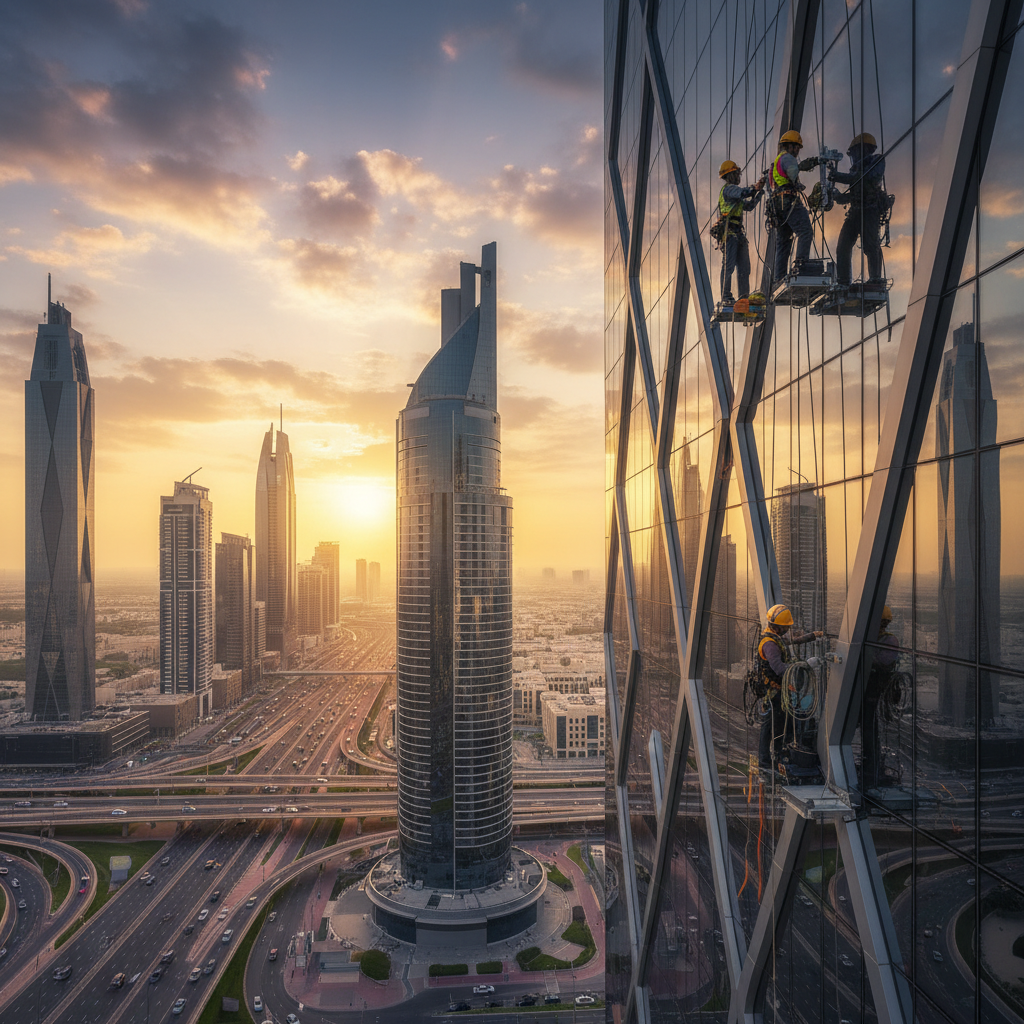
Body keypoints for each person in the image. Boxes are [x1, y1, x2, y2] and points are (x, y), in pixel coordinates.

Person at [757, 604, 823, 772]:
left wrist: (812, 636)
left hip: (779, 690)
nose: (787, 630)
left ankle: (777, 756)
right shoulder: (770, 645)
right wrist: (805, 664)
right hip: (774, 691)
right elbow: (779, 668)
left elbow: (793, 640)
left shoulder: (773, 638)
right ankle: (766, 760)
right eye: (785, 627)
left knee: (781, 724)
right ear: (778, 626)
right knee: (772, 725)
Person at [829, 133, 887, 287]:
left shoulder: (877, 161)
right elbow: (850, 195)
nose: (853, 156)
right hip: (855, 211)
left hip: (870, 210)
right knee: (843, 246)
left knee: (871, 245)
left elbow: (866, 178)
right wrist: (836, 195)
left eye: (854, 152)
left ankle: (875, 279)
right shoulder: (855, 170)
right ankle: (843, 281)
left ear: (864, 149)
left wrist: (839, 177)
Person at [769, 130, 820, 281]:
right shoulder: (787, 158)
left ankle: (779, 278)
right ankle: (801, 267)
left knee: (784, 241)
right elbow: (792, 172)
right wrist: (805, 168)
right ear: (788, 146)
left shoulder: (776, 162)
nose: (797, 151)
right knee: (805, 231)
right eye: (795, 147)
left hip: (778, 207)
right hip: (788, 201)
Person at [861, 604, 900, 793]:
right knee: (867, 728)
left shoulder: (889, 641)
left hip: (873, 691)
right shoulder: (873, 639)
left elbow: (882, 662)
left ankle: (871, 769)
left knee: (870, 729)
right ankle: (869, 765)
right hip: (864, 689)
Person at [716, 160, 764, 304]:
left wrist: (759, 193)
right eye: (737, 173)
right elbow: (744, 193)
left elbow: (748, 206)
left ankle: (744, 298)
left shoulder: (735, 194)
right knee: (728, 266)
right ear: (730, 175)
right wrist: (755, 187)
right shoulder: (729, 189)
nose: (739, 176)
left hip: (738, 234)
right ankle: (726, 297)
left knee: (745, 267)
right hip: (729, 234)